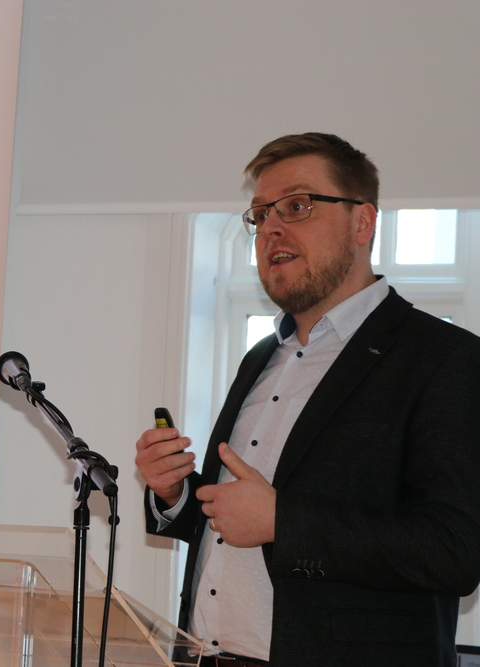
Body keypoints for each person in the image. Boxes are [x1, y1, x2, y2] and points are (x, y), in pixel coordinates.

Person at [135, 133, 480, 667]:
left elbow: (453, 551)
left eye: (297, 206)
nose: (271, 228)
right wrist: (176, 494)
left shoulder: (446, 358)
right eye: (260, 215)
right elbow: (238, 520)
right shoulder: (260, 358)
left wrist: (283, 522)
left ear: (362, 223)